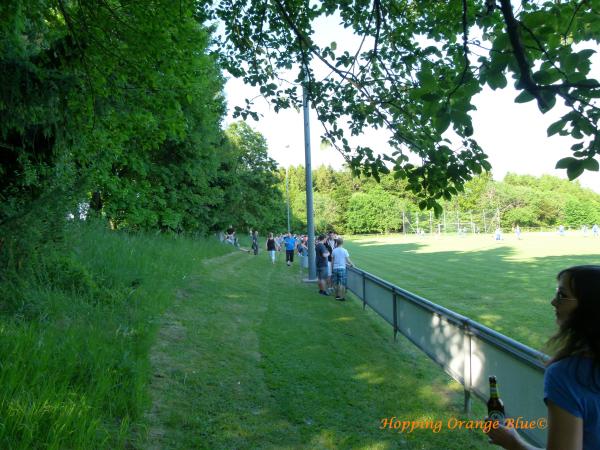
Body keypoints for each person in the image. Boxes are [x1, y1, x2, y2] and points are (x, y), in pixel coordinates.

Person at [485, 265, 600, 450]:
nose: (553, 302)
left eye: (562, 295)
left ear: (589, 308)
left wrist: (512, 442)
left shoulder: (566, 375)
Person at [331, 237, 354, 301]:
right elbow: (348, 260)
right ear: (342, 243)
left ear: (336, 243)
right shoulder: (345, 250)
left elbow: (332, 261)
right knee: (341, 283)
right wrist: (352, 264)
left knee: (335, 283)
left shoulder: (334, 250)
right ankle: (341, 296)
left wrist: (331, 269)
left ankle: (337, 295)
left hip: (335, 268)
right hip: (342, 268)